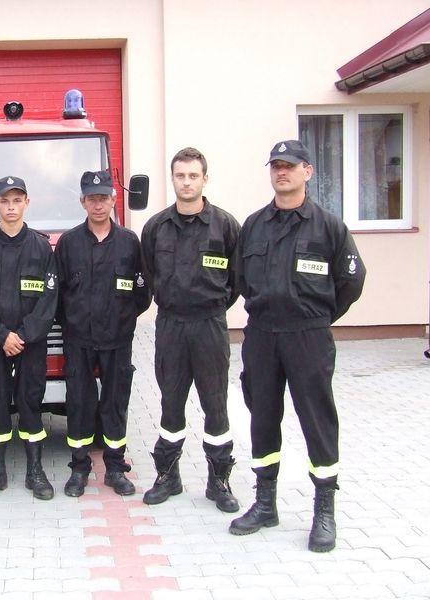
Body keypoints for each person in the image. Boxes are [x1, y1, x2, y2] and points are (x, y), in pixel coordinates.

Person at [229, 140, 366, 552]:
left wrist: (318, 317)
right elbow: (238, 278)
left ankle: (324, 511)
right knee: (263, 418)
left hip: (308, 335)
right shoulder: (253, 225)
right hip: (263, 336)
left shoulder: (329, 227)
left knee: (317, 422)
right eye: (275, 166)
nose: (281, 172)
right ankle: (265, 503)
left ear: (307, 171)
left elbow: (351, 282)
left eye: (289, 166)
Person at [140, 148, 241, 512]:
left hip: (210, 324)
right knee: (171, 401)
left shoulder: (225, 225)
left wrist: (210, 307)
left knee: (215, 403)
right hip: (170, 324)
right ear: (173, 179)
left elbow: (237, 279)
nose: (186, 182)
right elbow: (149, 274)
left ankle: (219, 481)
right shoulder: (155, 227)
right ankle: (169, 476)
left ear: (204, 179)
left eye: (193, 176)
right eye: (180, 176)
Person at [55, 170, 152, 497]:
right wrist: (73, 323)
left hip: (117, 340)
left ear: (114, 199)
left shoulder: (129, 242)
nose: (99, 205)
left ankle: (114, 467)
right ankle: (79, 468)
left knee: (114, 403)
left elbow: (142, 292)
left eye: (104, 198)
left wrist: (121, 319)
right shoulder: (68, 243)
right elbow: (58, 295)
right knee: (79, 402)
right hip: (78, 340)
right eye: (92, 198)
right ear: (83, 201)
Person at [0, 176, 57, 502]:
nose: (10, 207)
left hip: (30, 344)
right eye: (4, 201)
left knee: (30, 404)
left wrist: (22, 336)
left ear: (26, 203)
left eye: (16, 200)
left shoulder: (40, 247)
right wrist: (1, 335)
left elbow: (50, 299)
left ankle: (35, 471)